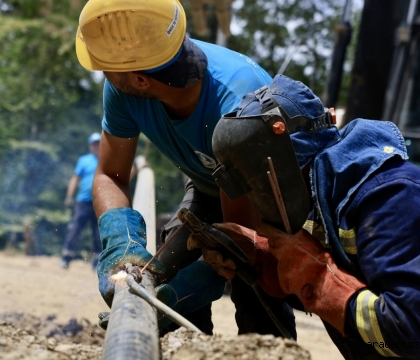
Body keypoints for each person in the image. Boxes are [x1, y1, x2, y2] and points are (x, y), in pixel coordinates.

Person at [197, 75, 420, 358]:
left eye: (258, 187)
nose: (257, 204)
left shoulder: (393, 199)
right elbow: (361, 289)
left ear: (283, 169)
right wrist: (267, 262)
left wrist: (317, 276)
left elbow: (410, 335)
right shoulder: (331, 199)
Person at [75, 0, 294, 336]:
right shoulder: (125, 88)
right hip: (211, 183)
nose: (104, 75)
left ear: (140, 79)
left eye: (106, 68)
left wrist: (207, 273)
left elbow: (238, 238)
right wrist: (121, 240)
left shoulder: (237, 104)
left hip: (271, 200)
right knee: (164, 271)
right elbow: (110, 175)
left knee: (257, 285)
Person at [60, 132, 102, 270]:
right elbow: (75, 179)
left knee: (98, 233)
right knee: (75, 229)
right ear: (90, 146)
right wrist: (69, 196)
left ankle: (97, 263)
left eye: (98, 144)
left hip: (99, 202)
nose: (96, 146)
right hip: (83, 202)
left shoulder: (106, 160)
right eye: (94, 144)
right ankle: (66, 258)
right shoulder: (83, 160)